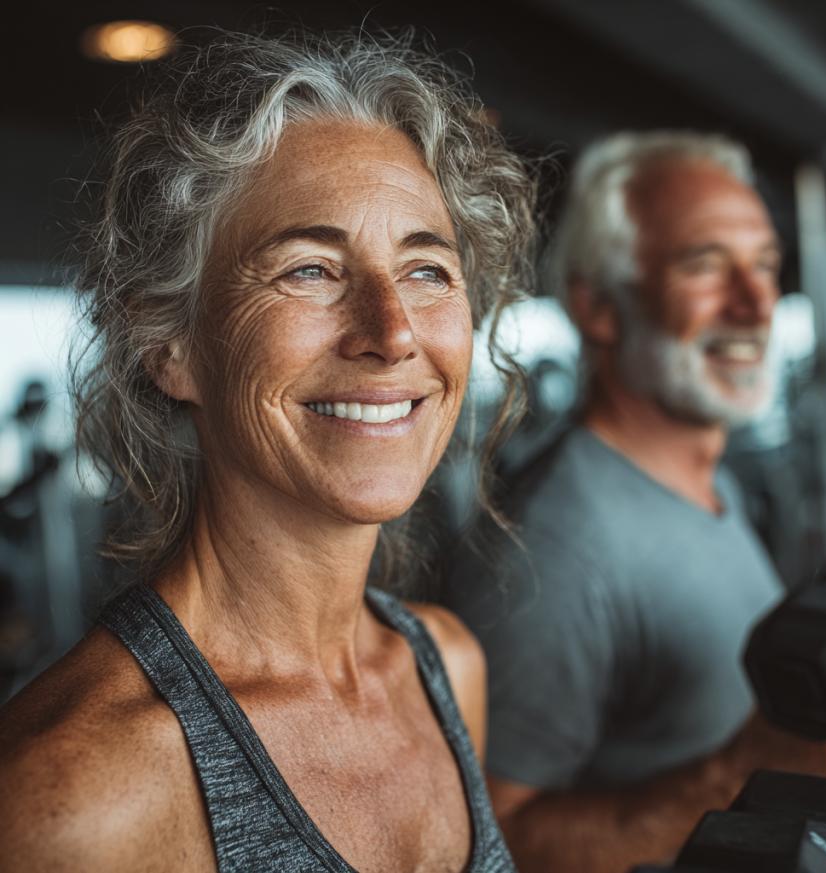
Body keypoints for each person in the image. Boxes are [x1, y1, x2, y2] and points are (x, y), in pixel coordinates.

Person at [0, 30, 539, 873]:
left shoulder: (443, 668)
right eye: (310, 270)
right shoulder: (70, 794)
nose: (392, 333)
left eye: (427, 270)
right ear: (170, 345)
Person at [445, 131, 826, 872]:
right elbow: (487, 845)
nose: (754, 303)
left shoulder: (710, 482)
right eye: (704, 265)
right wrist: (735, 771)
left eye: (765, 265)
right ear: (598, 306)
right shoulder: (554, 545)